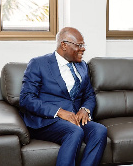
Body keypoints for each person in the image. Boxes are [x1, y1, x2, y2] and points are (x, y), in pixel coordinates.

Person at [20, 27, 107, 166]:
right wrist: (59, 112)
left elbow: (89, 94)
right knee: (75, 132)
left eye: (83, 45)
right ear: (64, 45)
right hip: (47, 120)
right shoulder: (38, 64)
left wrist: (85, 109)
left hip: (74, 119)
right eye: (79, 45)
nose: (83, 49)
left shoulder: (82, 66)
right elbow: (26, 99)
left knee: (100, 130)